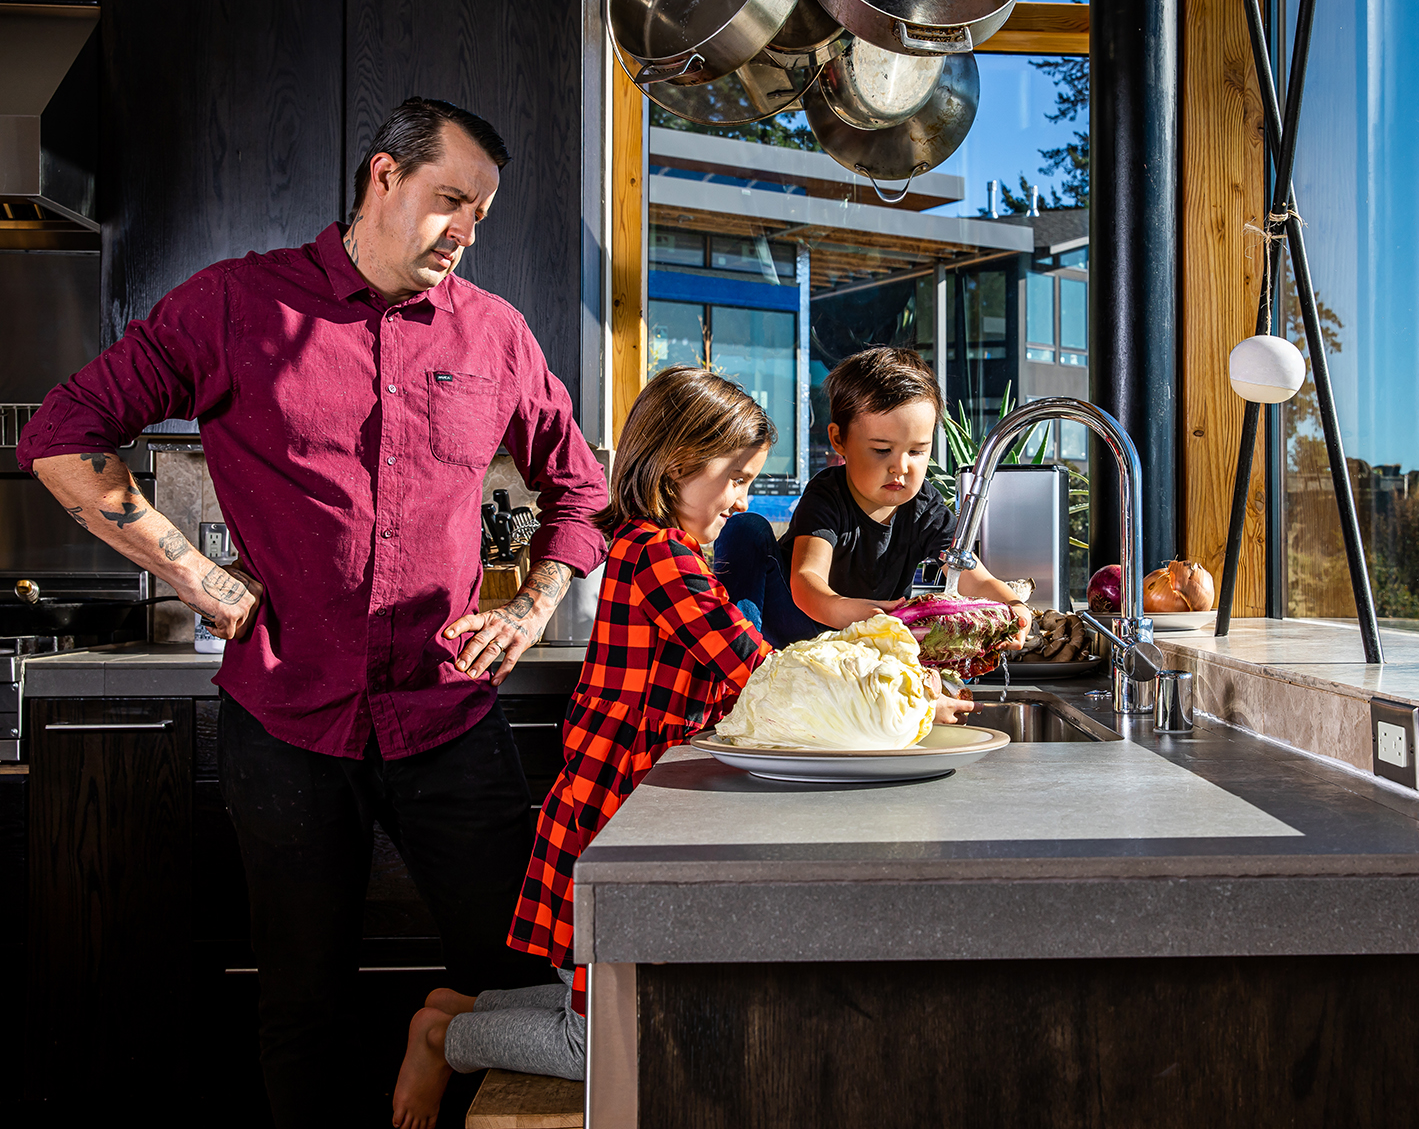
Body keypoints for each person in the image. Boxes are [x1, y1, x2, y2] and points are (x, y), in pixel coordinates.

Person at [16, 97, 610, 1127]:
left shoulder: (496, 332)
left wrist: (535, 607)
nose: (466, 229)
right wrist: (199, 581)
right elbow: (64, 438)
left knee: (520, 983)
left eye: (482, 212)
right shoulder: (235, 307)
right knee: (301, 1001)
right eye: (450, 200)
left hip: (451, 719)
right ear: (383, 177)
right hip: (286, 726)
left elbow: (582, 490)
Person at [389, 367, 978, 1128]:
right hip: (613, 821)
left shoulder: (667, 550)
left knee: (602, 983)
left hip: (618, 812)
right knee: (594, 1040)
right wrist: (889, 692)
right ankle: (447, 1036)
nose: (742, 501)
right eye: (736, 480)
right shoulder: (660, 555)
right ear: (675, 469)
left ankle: (459, 1005)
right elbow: (757, 669)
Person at [714, 346, 1031, 648]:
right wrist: (856, 614)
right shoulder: (827, 495)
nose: (901, 467)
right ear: (839, 440)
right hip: (799, 625)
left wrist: (1012, 605)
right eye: (882, 450)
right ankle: (738, 655)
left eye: (917, 451)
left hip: (870, 640)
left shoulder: (925, 506)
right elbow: (805, 581)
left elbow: (970, 575)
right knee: (745, 528)